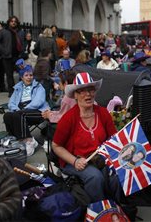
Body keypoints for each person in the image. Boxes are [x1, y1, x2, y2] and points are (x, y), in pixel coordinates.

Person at [52, 72, 118, 202]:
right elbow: (56, 145)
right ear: (75, 95)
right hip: (75, 161)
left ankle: (116, 206)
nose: (88, 94)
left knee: (117, 173)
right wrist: (74, 161)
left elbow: (114, 138)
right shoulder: (68, 118)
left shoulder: (103, 113)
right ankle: (99, 210)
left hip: (100, 157)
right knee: (95, 177)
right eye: (82, 91)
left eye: (91, 90)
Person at [3, 64, 49, 156]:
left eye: (31, 75)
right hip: (21, 110)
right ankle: (16, 140)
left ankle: (29, 140)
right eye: (26, 75)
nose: (29, 77)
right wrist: (16, 109)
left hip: (38, 111)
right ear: (21, 77)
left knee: (19, 114)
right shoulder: (17, 88)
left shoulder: (39, 87)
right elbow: (11, 103)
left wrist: (23, 109)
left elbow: (38, 102)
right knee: (7, 115)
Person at [0, 16, 24, 97]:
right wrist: (3, 51)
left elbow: (22, 43)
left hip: (17, 56)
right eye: (12, 21)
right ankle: (12, 91)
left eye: (15, 21)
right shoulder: (4, 31)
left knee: (23, 73)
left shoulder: (20, 32)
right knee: (9, 75)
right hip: (7, 56)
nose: (13, 22)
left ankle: (22, 89)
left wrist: (22, 52)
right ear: (9, 22)